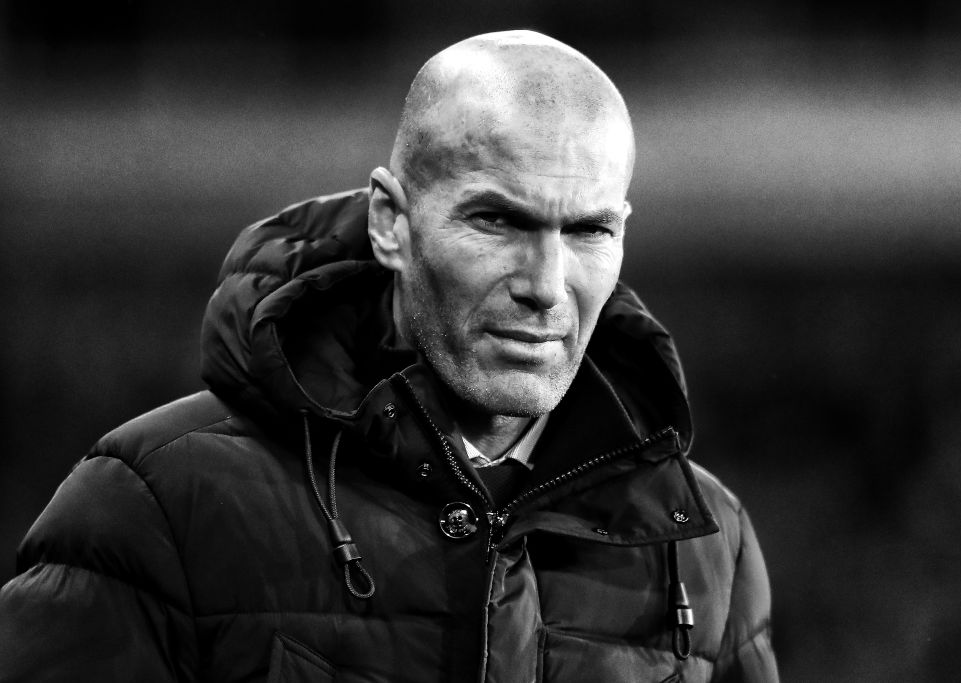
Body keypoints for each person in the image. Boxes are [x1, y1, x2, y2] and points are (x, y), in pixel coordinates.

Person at [0, 30, 778, 682]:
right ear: (390, 223)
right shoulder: (152, 507)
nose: (546, 286)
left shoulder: (708, 545)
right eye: (497, 221)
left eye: (588, 230)